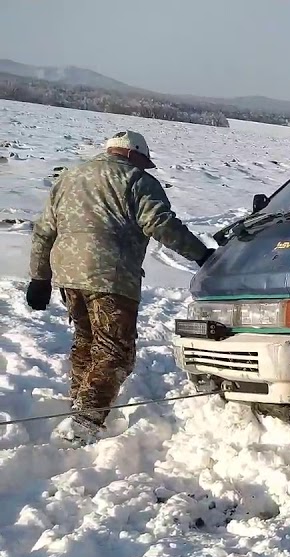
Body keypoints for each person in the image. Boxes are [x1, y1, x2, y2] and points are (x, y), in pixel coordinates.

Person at [24, 130, 215, 445]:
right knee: (115, 350)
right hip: (111, 276)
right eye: (143, 161)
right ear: (133, 155)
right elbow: (160, 223)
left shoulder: (69, 178)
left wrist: (39, 278)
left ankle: (80, 402)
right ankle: (84, 422)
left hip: (69, 276)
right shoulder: (137, 181)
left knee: (87, 340)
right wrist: (202, 255)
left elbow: (44, 230)